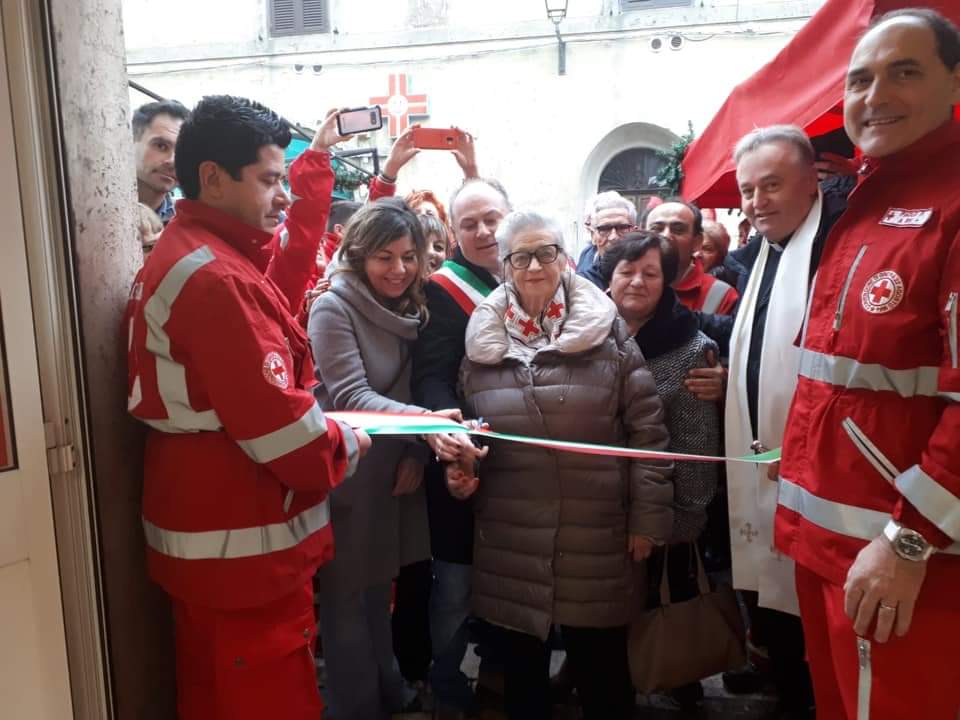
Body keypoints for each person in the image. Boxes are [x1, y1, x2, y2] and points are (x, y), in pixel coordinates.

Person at [125, 95, 370, 719]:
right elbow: (290, 443)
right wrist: (345, 440)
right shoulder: (216, 280)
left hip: (217, 549)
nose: (281, 198)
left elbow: (282, 272)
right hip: (242, 564)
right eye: (268, 181)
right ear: (212, 178)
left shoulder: (204, 257)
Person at [775, 10, 960, 719]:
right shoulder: (863, 201)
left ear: (954, 82)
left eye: (903, 71)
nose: (874, 94)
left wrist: (909, 540)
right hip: (831, 549)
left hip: (908, 563)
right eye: (859, 80)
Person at [451, 210, 672, 720]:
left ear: (565, 258)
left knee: (603, 675)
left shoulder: (606, 332)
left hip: (595, 532)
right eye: (520, 256)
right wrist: (464, 472)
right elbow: (474, 433)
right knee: (522, 677)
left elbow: (648, 433)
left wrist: (648, 521)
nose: (534, 266)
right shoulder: (480, 342)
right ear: (504, 265)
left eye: (546, 252)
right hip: (512, 535)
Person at [307, 198, 465, 720]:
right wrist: (429, 422)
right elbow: (351, 396)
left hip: (394, 465)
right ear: (357, 253)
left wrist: (416, 449)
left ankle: (389, 691)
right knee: (346, 599)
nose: (398, 269)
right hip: (350, 472)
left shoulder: (407, 304)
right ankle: (359, 707)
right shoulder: (332, 306)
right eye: (384, 257)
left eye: (408, 256)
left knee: (378, 592)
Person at [726, 124, 851, 718]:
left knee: (817, 628)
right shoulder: (766, 254)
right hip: (762, 455)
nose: (757, 202)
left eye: (771, 185)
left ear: (812, 181)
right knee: (776, 614)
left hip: (826, 476)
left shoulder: (836, 245)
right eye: (749, 190)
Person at [602, 231, 721, 708]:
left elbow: (697, 443)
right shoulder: (586, 332)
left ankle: (680, 680)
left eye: (650, 273)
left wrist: (685, 520)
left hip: (664, 512)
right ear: (607, 279)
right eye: (626, 271)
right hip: (601, 505)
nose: (636, 282)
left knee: (663, 608)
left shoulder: (691, 348)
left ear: (667, 282)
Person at [411, 177, 510, 719]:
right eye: (468, 223)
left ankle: (502, 672)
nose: (483, 231)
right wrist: (453, 435)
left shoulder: (537, 276)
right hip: (463, 457)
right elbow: (431, 378)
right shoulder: (442, 291)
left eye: (492, 218)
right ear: (454, 231)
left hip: (524, 461)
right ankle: (446, 682)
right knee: (456, 581)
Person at [645, 199, 738, 315]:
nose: (666, 235)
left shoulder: (721, 296)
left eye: (678, 230)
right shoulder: (625, 285)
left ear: (697, 242)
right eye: (656, 229)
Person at [132, 99, 190, 224]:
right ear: (131, 143)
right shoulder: (92, 207)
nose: (173, 161)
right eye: (161, 146)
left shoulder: (186, 223)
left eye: (182, 152)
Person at [576, 190, 638, 289]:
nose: (613, 237)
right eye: (604, 229)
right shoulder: (584, 277)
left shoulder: (649, 271)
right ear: (593, 236)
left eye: (622, 228)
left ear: (635, 232)